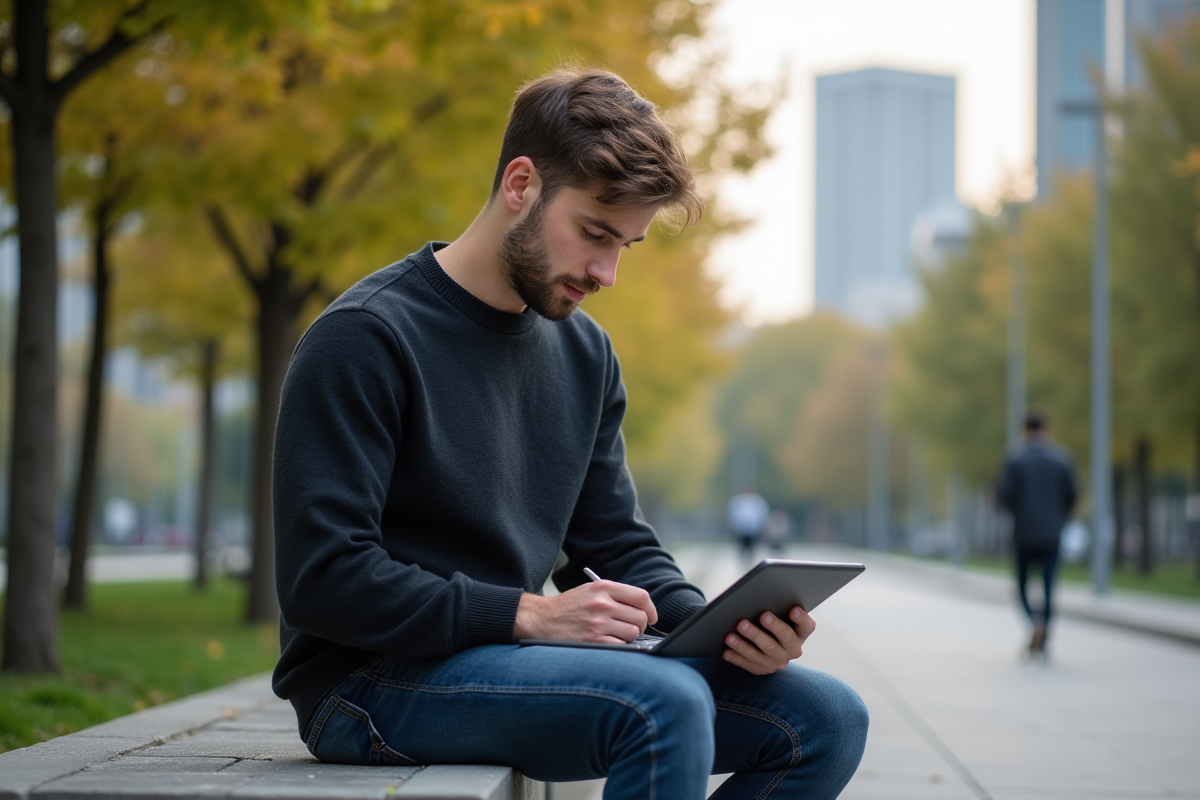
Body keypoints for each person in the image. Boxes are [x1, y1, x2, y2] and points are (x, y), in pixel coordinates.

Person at [272, 67, 868, 799]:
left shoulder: (585, 356)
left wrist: (715, 627)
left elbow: (615, 543)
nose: (607, 272)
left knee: (828, 718)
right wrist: (528, 613)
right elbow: (321, 580)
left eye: (627, 245)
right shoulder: (366, 337)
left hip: (502, 662)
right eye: (594, 232)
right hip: (367, 680)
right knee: (664, 705)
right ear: (521, 185)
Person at [996, 408, 1079, 659]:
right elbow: (1073, 496)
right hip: (1052, 534)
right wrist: (1058, 517)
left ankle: (1035, 623)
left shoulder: (1015, 459)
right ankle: (1044, 635)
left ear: (1024, 431)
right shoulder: (1063, 459)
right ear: (1046, 430)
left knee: (1022, 585)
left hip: (1024, 534)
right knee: (1049, 586)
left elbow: (1004, 496)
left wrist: (1020, 512)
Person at [728, 488, 770, 563]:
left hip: (753, 530)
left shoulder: (758, 501)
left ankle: (750, 561)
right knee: (742, 548)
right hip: (741, 530)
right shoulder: (737, 501)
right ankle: (742, 561)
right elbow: (733, 515)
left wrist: (761, 526)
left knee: (752, 548)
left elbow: (762, 514)